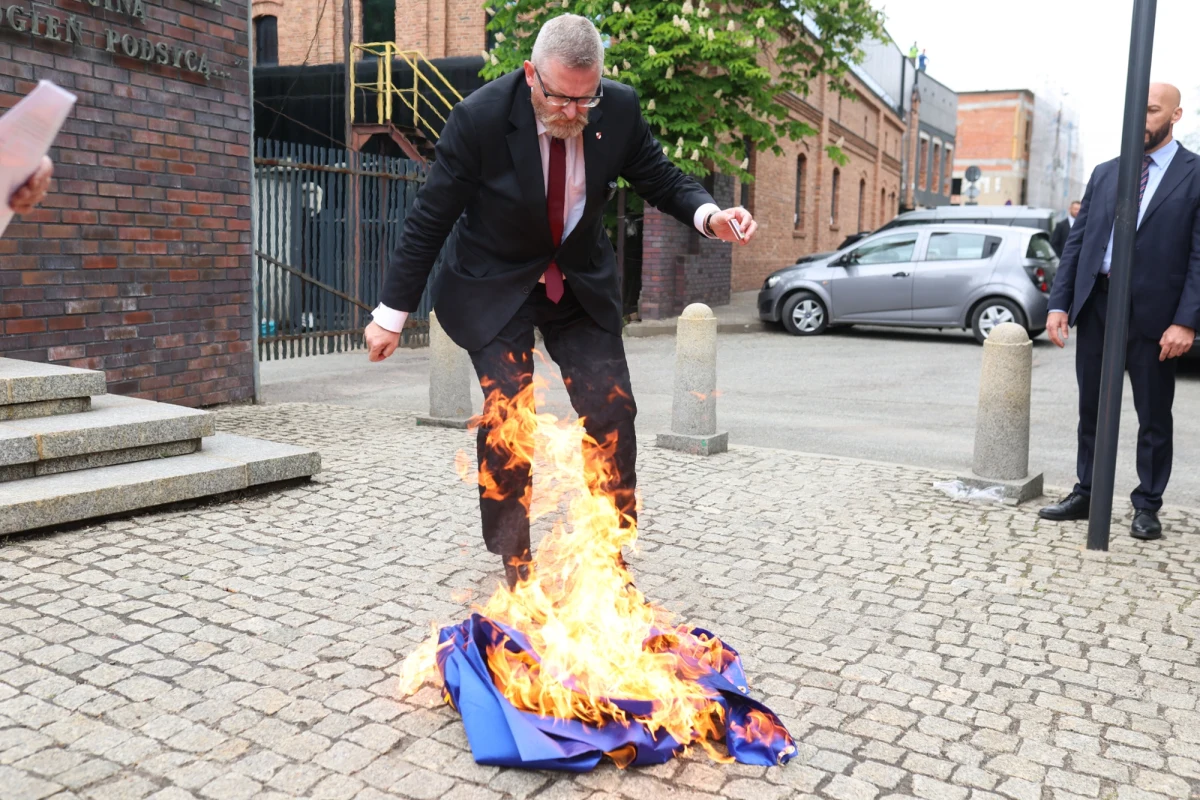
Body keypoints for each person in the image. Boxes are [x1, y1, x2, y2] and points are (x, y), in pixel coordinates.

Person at [363, 15, 755, 586]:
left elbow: (660, 176)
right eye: (559, 98)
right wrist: (390, 316)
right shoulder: (479, 118)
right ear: (531, 74)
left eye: (585, 99)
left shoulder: (618, 109)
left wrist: (709, 215)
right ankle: (514, 560)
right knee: (509, 413)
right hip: (494, 283)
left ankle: (609, 550)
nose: (572, 111)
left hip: (577, 284)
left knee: (613, 411)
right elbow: (430, 219)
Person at [1039, 82, 1199, 541]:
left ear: (1176, 115)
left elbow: (1199, 255)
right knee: (1091, 408)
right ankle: (1088, 491)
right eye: (1135, 110)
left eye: (1152, 110)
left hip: (1156, 315)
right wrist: (1059, 304)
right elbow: (1078, 243)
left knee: (1154, 416)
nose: (1141, 119)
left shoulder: (1194, 173)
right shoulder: (1106, 172)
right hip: (1098, 306)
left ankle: (1147, 505)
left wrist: (1186, 320)